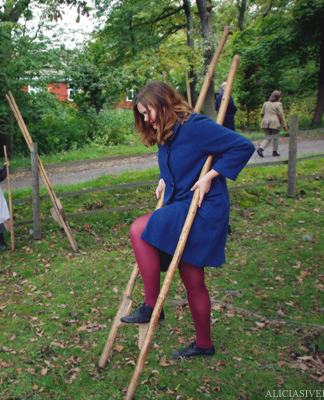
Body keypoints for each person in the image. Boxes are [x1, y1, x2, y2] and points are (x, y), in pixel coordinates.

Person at [120, 81, 254, 359]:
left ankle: (152, 305)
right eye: (142, 115)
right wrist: (163, 178)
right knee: (192, 278)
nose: (146, 120)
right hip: (181, 203)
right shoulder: (166, 131)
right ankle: (204, 345)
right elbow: (179, 162)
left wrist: (210, 176)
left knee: (139, 228)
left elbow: (243, 146)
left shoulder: (195, 126)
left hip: (204, 208)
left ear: (163, 103)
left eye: (148, 112)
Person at [257, 90, 287, 157]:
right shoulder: (279, 104)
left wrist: (265, 118)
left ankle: (261, 148)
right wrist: (284, 125)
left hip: (265, 122)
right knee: (276, 137)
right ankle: (275, 151)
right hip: (274, 122)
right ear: (278, 97)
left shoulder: (266, 103)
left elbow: (261, 113)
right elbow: (281, 115)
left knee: (268, 136)